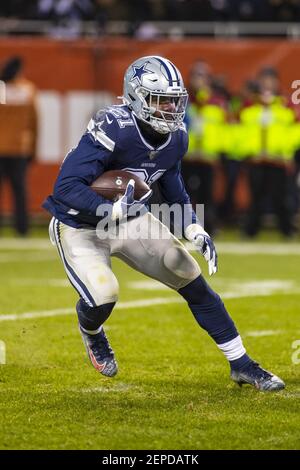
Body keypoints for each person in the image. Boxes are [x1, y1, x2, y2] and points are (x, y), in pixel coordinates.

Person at [43, 55, 284, 391]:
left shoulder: (177, 138)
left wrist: (193, 229)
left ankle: (242, 363)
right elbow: (66, 189)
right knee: (104, 294)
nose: (170, 108)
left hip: (129, 218)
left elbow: (175, 192)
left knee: (187, 271)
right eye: (161, 100)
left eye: (175, 100)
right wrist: (109, 210)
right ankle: (92, 331)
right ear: (136, 96)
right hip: (80, 224)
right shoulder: (113, 128)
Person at [0, 56, 37, 236]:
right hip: (20, 148)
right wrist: (33, 147)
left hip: (0, 146)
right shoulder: (27, 89)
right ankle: (22, 228)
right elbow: (34, 121)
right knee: (20, 191)